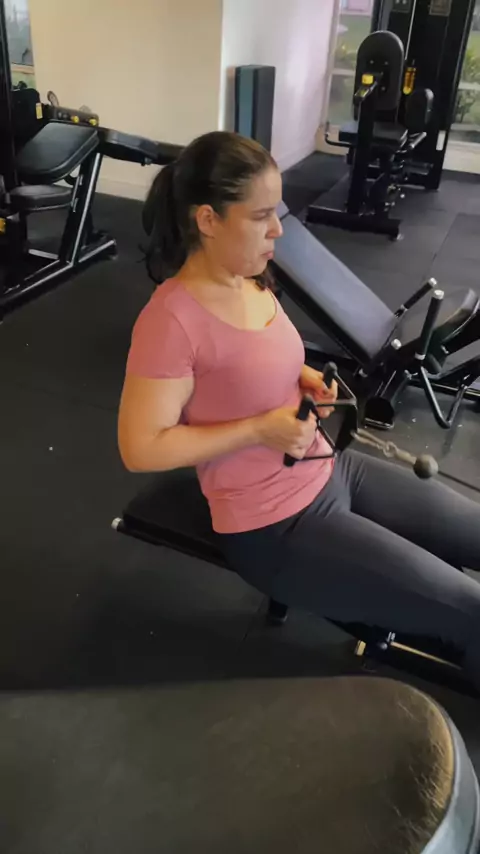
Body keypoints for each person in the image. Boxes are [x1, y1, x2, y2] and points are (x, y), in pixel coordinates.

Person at [119, 130, 480, 691]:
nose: (279, 230)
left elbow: (256, 361)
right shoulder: (170, 322)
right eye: (261, 216)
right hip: (273, 525)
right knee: (471, 611)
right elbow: (140, 448)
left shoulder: (251, 276)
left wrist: (305, 376)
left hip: (332, 467)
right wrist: (258, 429)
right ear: (208, 219)